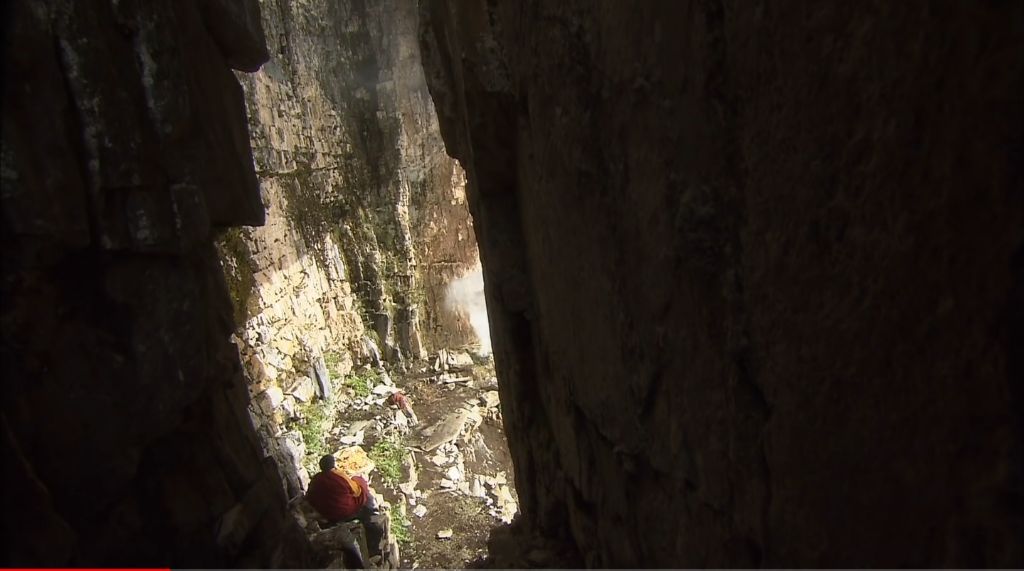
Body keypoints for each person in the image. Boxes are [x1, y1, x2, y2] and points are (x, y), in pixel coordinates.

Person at [306, 454, 385, 568]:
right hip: (345, 512)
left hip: (326, 513)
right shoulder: (338, 475)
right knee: (362, 487)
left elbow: (310, 496)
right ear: (333, 465)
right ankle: (372, 513)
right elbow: (357, 491)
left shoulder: (316, 479)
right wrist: (359, 481)